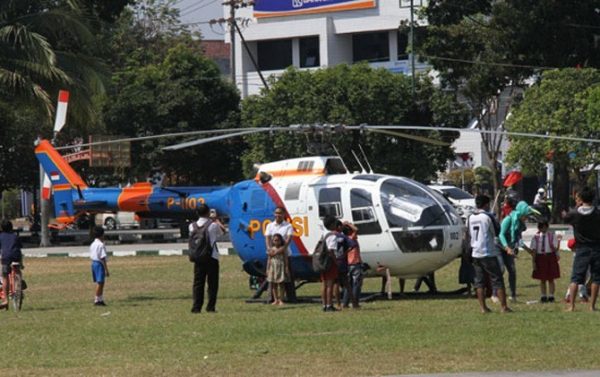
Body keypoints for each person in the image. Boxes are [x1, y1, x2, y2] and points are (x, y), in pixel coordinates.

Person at [467, 194, 511, 313]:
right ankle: (503, 307)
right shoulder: (487, 217)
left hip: (475, 252)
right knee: (497, 279)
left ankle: (483, 308)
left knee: (479, 282)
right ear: (486, 204)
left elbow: (469, 233)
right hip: (487, 252)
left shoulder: (470, 217)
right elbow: (497, 231)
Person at [562, 186, 600, 311]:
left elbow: (565, 218)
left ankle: (572, 305)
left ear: (581, 198)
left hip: (582, 247)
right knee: (596, 278)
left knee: (576, 277)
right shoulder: (597, 213)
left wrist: (575, 206)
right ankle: (592, 306)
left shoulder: (575, 213)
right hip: (596, 247)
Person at [189, 204, 225, 313]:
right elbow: (223, 231)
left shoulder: (191, 226)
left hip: (198, 257)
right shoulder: (213, 225)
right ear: (208, 212)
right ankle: (210, 306)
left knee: (198, 283)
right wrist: (216, 219)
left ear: (197, 213)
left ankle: (196, 307)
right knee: (212, 283)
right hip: (211, 256)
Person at [498, 200, 533, 302]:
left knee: (512, 271)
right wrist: (506, 247)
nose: (526, 218)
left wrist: (529, 251)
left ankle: (512, 295)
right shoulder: (508, 219)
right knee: (500, 270)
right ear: (521, 213)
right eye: (526, 215)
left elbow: (519, 239)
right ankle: (495, 293)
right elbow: (501, 235)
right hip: (500, 247)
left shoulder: (520, 224)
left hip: (510, 248)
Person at [264, 207, 295, 302]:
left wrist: (280, 250)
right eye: (276, 213)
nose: (278, 215)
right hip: (273, 256)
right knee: (272, 278)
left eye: (280, 213)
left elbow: (288, 240)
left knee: (287, 277)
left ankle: (290, 298)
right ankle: (272, 298)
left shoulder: (288, 226)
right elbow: (268, 238)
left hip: (285, 255)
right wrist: (270, 250)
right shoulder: (270, 225)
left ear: (284, 214)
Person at [530, 221, 561, 303]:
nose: (543, 229)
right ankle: (543, 295)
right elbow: (533, 250)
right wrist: (533, 261)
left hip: (550, 256)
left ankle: (551, 295)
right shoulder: (535, 237)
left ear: (547, 227)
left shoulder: (551, 236)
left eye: (545, 227)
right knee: (542, 278)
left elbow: (555, 247)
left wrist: (558, 244)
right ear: (539, 228)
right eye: (541, 227)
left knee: (551, 278)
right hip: (540, 258)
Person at [0, 220, 24, 308]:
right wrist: (21, 263)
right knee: (18, 269)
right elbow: (20, 248)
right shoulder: (15, 236)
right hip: (16, 255)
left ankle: (5, 301)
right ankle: (19, 281)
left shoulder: (1, 236)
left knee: (5, 276)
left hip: (6, 257)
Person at [320, 215, 339, 312]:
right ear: (332, 224)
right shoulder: (332, 235)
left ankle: (324, 304)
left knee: (324, 284)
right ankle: (329, 305)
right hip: (329, 262)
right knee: (330, 284)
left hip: (322, 261)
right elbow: (331, 250)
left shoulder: (324, 234)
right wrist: (336, 261)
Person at [341, 222, 362, 309]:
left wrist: (343, 225)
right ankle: (355, 303)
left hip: (347, 264)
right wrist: (348, 224)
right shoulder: (352, 238)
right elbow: (356, 229)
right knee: (356, 284)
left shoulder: (344, 239)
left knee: (348, 285)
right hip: (355, 263)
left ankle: (345, 303)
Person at [563, 238, 590, 303]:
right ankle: (582, 296)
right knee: (581, 281)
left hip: (579, 267)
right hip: (583, 266)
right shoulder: (580, 252)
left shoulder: (576, 252)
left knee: (574, 281)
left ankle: (568, 295)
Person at [266, 233, 289, 306]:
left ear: (280, 241)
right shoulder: (271, 250)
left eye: (278, 240)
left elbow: (285, 259)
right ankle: (275, 299)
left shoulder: (283, 249)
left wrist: (286, 267)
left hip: (280, 266)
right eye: (275, 240)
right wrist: (267, 268)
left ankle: (281, 299)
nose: (276, 242)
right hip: (273, 267)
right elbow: (269, 259)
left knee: (281, 284)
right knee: (274, 285)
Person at [89, 226, 109, 306]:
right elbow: (102, 257)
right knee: (100, 282)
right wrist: (106, 269)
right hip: (99, 264)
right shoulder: (100, 245)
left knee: (101, 282)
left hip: (93, 263)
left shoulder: (93, 244)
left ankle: (100, 299)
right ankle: (97, 299)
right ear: (102, 235)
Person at [333, 220, 350, 309]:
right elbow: (351, 245)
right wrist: (344, 254)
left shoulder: (330, 235)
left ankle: (338, 303)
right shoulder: (343, 237)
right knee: (346, 282)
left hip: (333, 261)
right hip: (341, 262)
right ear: (339, 227)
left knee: (336, 283)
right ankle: (351, 302)